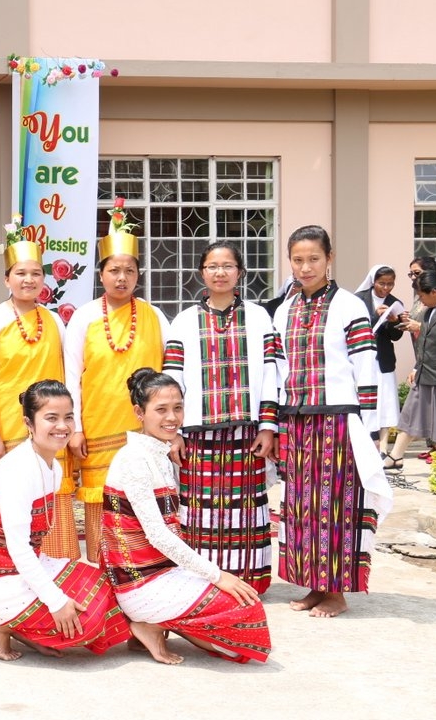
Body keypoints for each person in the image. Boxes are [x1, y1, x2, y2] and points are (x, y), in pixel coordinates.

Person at [101, 368, 271, 665]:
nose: (172, 418)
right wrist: (218, 576)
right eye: (161, 410)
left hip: (162, 573)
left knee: (245, 608)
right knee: (244, 620)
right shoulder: (134, 459)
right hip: (139, 584)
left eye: (177, 408)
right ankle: (146, 624)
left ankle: (154, 623)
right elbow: (158, 535)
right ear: (139, 413)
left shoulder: (158, 452)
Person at [0, 380, 130, 660]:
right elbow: (19, 549)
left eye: (68, 417)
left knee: (106, 588)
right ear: (28, 423)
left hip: (22, 566)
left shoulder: (53, 466)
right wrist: (56, 601)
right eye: (51, 418)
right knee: (86, 623)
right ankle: (1, 623)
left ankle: (20, 627)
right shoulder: (18, 471)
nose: (62, 426)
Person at [272, 225, 393, 618]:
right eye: (298, 260)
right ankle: (315, 584)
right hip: (296, 420)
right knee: (301, 508)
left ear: (329, 258)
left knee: (337, 506)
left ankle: (337, 592)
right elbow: (279, 370)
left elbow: (366, 368)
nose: (305, 267)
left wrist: (369, 430)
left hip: (338, 421)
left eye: (314, 259)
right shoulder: (285, 310)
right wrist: (276, 421)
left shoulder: (349, 306)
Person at [163, 242, 280, 593]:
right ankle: (201, 581)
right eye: (212, 266)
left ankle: (249, 581)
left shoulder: (259, 317)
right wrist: (174, 431)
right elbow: (173, 379)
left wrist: (268, 426)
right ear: (202, 273)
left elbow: (271, 373)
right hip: (198, 434)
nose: (220, 272)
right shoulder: (184, 321)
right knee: (199, 511)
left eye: (227, 266)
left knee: (246, 509)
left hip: (247, 432)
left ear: (240, 272)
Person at [65, 208, 169, 561]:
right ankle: (100, 569)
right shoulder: (84, 317)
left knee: (144, 501)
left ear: (138, 274)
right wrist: (76, 429)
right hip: (97, 427)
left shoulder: (154, 316)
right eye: (114, 270)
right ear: (101, 274)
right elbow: (71, 376)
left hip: (145, 430)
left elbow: (172, 372)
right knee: (100, 501)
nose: (121, 278)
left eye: (129, 271)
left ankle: (144, 570)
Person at [0, 239, 76, 558]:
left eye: (35, 273)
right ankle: (11, 565)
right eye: (20, 273)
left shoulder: (54, 320)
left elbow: (67, 371)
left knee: (52, 494)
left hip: (51, 427)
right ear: (7, 279)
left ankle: (58, 564)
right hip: (8, 426)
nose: (28, 280)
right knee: (13, 496)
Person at [385, 270, 436, 473]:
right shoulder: (429, 311)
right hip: (424, 373)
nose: (420, 300)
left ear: (434, 292)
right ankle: (395, 456)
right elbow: (425, 343)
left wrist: (419, 326)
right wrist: (416, 366)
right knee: (409, 416)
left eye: (422, 295)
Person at [355, 265, 406, 456]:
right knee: (363, 399)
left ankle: (383, 446)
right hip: (361, 357)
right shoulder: (359, 299)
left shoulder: (395, 302)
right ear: (373, 281)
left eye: (390, 284)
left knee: (385, 401)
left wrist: (394, 322)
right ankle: (363, 441)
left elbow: (396, 337)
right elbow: (353, 327)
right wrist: (374, 316)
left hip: (383, 358)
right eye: (382, 283)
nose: (386, 288)